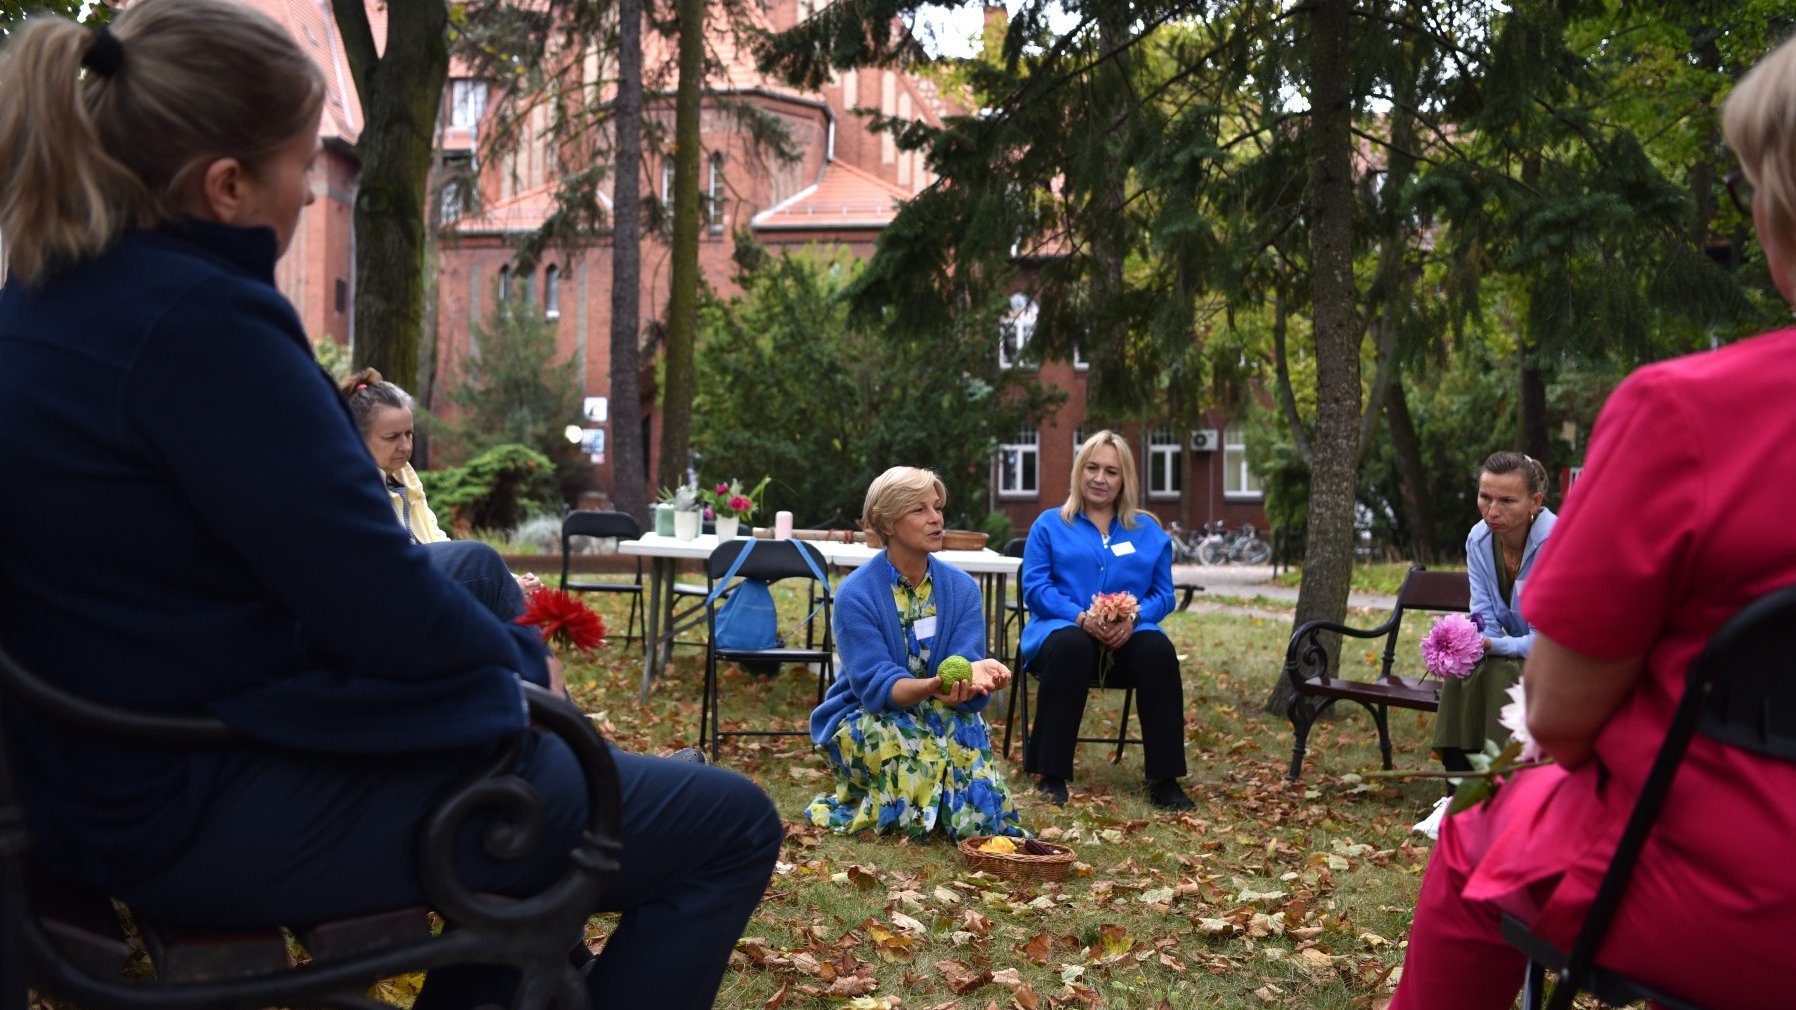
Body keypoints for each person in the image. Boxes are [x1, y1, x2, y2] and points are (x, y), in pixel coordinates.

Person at [0, 6, 779, 1009]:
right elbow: (376, 602)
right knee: (725, 821)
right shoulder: (202, 325)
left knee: (473, 598)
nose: (310, 192)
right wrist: (521, 669)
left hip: (101, 754)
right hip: (183, 797)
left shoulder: (48, 292)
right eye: (297, 166)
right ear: (227, 185)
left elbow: (322, 561)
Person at [1387, 35, 1796, 1010]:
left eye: (1750, 182)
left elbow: (1562, 713)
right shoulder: (1492, 537)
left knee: (1470, 837)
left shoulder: (1690, 417)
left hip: (1734, 898)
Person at [807, 467, 1027, 840]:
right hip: (867, 713)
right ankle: (913, 812)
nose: (936, 518)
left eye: (937, 507)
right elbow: (877, 688)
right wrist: (932, 686)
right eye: (920, 510)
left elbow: (964, 664)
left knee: (965, 732)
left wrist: (976, 677)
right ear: (889, 523)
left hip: (939, 706)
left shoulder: (962, 590)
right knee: (904, 737)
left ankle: (955, 818)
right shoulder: (856, 594)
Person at [1018, 431, 1194, 811]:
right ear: (1079, 472)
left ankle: (1165, 781)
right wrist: (1079, 617)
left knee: (1159, 651)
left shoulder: (1148, 532)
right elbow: (1035, 588)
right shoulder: (1049, 525)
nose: (1100, 478)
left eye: (1111, 471)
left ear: (1124, 479)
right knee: (1072, 645)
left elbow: (1164, 595)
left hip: (1128, 635)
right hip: (1061, 634)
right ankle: (1051, 774)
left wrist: (1135, 616)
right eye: (1092, 468)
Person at [1414, 452, 1556, 837]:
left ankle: (1498, 796)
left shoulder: (1557, 542)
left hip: (1564, 660)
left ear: (1535, 502)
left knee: (1502, 668)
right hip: (1515, 648)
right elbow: (1483, 618)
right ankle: (1455, 795)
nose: (1492, 510)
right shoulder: (1478, 539)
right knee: (1466, 668)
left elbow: (1546, 641)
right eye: (1485, 497)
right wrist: (1476, 645)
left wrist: (1490, 645)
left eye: (1507, 500)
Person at [338, 367, 541, 621]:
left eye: (409, 434)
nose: (406, 446)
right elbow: (387, 563)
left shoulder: (404, 480)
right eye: (392, 437)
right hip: (383, 601)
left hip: (417, 588)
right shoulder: (352, 488)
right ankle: (538, 660)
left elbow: (436, 542)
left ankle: (529, 655)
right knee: (483, 562)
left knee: (508, 591)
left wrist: (510, 581)